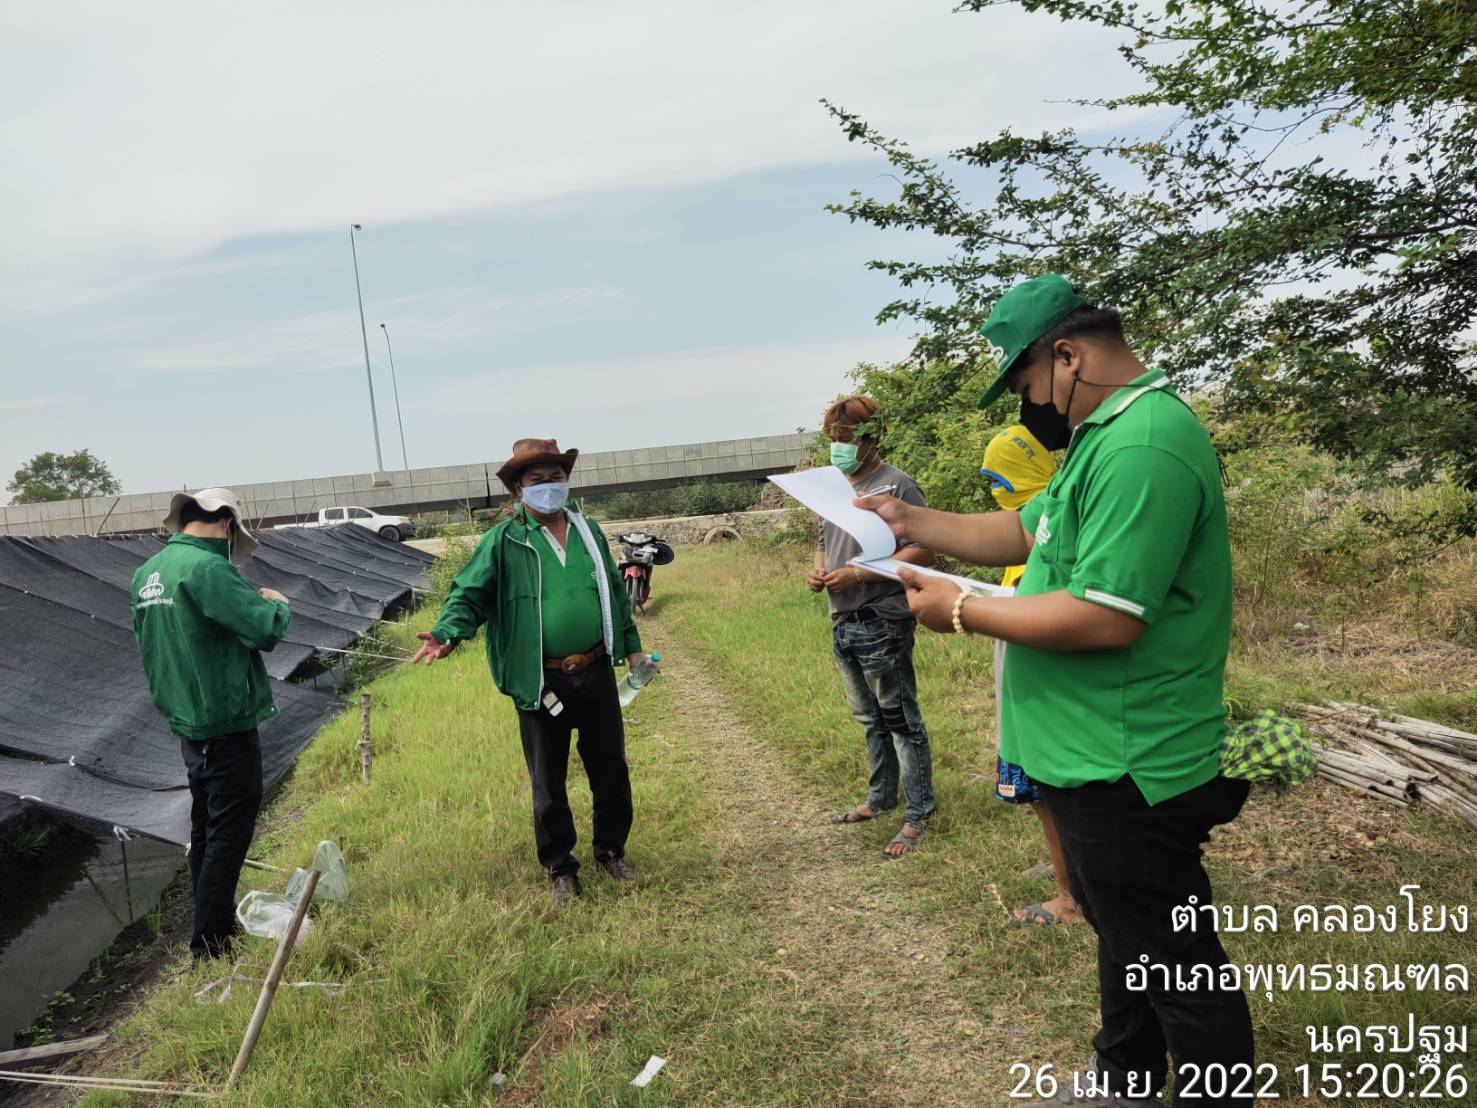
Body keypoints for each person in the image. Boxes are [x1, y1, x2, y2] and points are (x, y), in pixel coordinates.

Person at [858, 275, 1251, 1106]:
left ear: (1067, 356)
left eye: (1025, 384)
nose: (1027, 406)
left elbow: (1107, 616)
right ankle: (1124, 1077)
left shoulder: (1143, 446)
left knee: (1174, 963)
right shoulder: (1101, 439)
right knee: (1123, 931)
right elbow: (1018, 530)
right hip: (1086, 751)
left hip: (1128, 757)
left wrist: (960, 609)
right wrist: (909, 523)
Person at [411, 439, 651, 908]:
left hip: (596, 669)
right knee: (548, 779)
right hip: (541, 680)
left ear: (567, 482)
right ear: (519, 489)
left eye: (555, 478)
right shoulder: (504, 541)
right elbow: (468, 596)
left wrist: (633, 649)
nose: (548, 487)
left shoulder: (588, 530)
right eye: (537, 480)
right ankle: (561, 868)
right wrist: (446, 633)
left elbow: (614, 593)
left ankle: (611, 852)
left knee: (610, 769)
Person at [131, 487, 291, 960]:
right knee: (228, 833)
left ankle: (210, 927)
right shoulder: (208, 568)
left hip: (188, 722)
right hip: (224, 722)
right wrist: (279, 603)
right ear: (226, 523)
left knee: (206, 827)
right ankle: (211, 944)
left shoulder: (148, 572)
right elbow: (264, 628)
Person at [809, 396, 938, 858]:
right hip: (842, 619)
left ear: (871, 438)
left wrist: (860, 574)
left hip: (882, 618)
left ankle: (919, 814)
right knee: (869, 719)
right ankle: (881, 797)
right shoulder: (834, 488)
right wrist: (819, 569)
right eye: (832, 438)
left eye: (845, 438)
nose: (838, 447)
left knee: (900, 719)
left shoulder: (898, 485)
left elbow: (924, 549)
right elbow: (824, 540)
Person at [979, 425, 1081, 927]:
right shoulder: (1049, 517)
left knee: (1049, 791)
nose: (994, 491)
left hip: (1045, 691)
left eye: (999, 480)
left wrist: (964, 609)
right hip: (1033, 685)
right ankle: (1067, 863)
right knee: (1050, 797)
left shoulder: (1052, 528)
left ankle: (1070, 898)